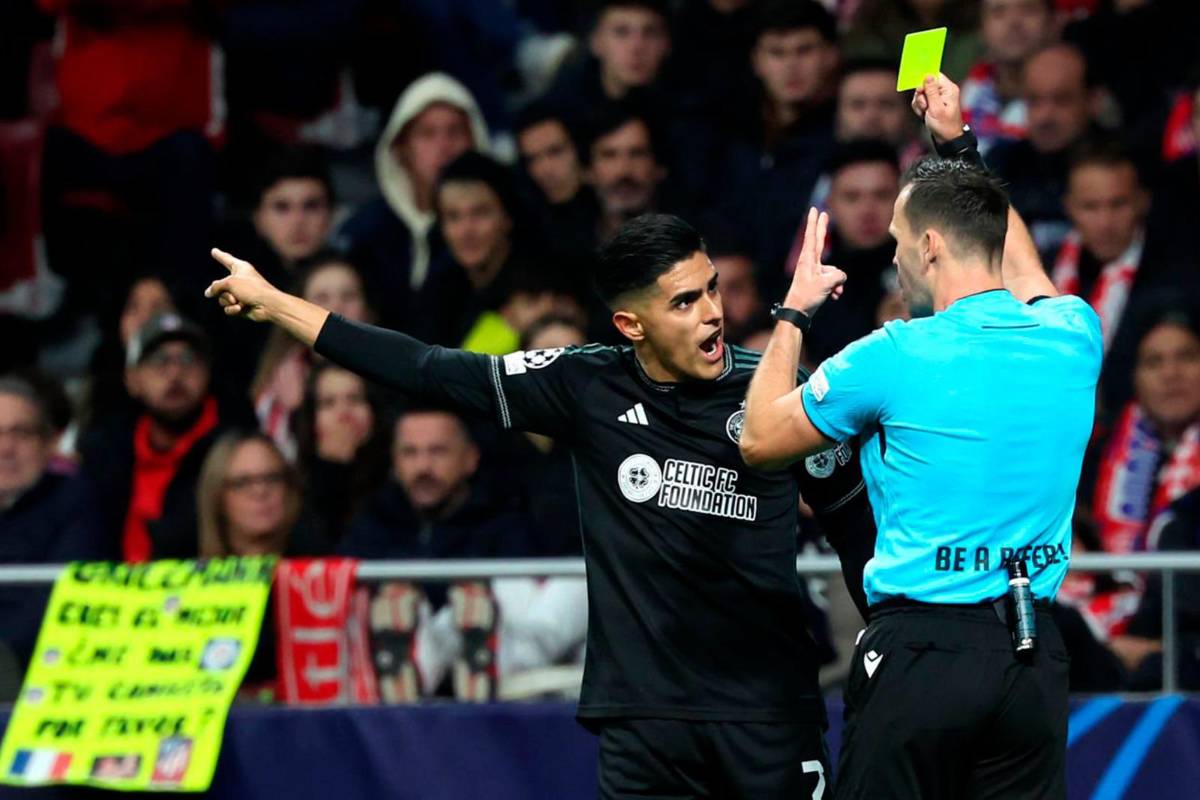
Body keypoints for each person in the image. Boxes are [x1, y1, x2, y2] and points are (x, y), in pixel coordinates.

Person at [204, 208, 875, 797]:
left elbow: (852, 525)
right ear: (629, 324)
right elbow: (423, 368)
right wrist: (276, 302)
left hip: (765, 713)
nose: (711, 313)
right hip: (642, 725)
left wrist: (887, 647)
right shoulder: (584, 384)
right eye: (681, 302)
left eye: (711, 290)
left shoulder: (780, 394)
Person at [741, 74, 1101, 797]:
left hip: (921, 655)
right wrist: (958, 145)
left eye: (902, 240)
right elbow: (1017, 257)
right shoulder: (1074, 333)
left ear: (930, 245)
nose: (897, 256)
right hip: (1032, 658)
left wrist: (793, 312)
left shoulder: (893, 352)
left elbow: (757, 437)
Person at [79, 313, 250, 561]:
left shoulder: (238, 451)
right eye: (159, 360)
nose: (175, 372)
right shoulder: (104, 451)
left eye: (188, 359)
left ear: (208, 372)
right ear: (132, 379)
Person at [335, 72, 490, 330]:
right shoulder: (366, 234)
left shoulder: (509, 226)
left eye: (455, 131)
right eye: (427, 134)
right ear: (401, 148)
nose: (444, 146)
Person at [0, 376, 106, 685]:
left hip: (39, 677)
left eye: (21, 433)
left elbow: (61, 604)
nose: (6, 447)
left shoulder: (75, 500)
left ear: (50, 444)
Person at [252, 254, 374, 458]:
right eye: (322, 298)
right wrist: (297, 415)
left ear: (367, 310)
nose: (336, 308)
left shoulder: (395, 372)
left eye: (349, 296)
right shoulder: (277, 387)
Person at [988, 43, 1101, 255]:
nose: (1045, 116)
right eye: (1034, 100)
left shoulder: (1123, 167)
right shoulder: (1000, 165)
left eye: (1061, 100)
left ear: (1092, 100)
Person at [291, 362, 391, 554]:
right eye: (328, 403)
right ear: (312, 420)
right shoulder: (294, 487)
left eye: (355, 399)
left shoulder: (397, 477)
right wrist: (331, 469)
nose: (344, 414)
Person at [961, 0, 1057, 152]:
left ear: (1053, 22)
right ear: (981, 28)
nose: (1014, 22)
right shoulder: (965, 90)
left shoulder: (1070, 93)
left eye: (1028, 9)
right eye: (999, 12)